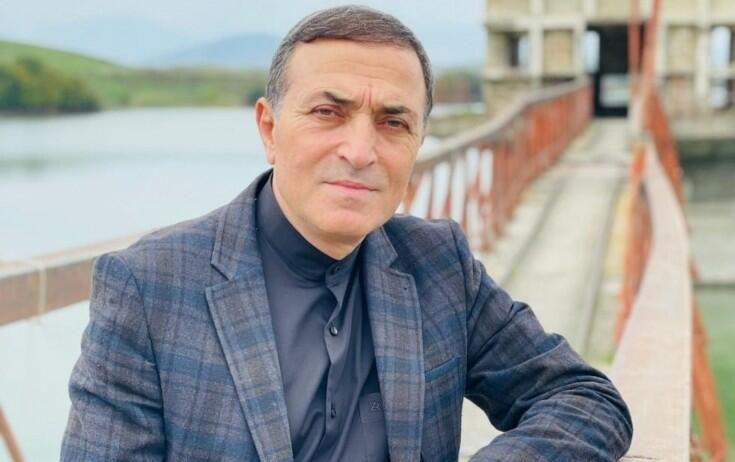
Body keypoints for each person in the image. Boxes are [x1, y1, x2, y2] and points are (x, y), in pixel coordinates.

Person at [61, 5, 632, 461]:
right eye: (327, 113)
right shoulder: (149, 287)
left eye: (393, 122)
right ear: (269, 129)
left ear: (418, 143)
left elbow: (585, 399)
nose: (360, 151)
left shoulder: (438, 264)